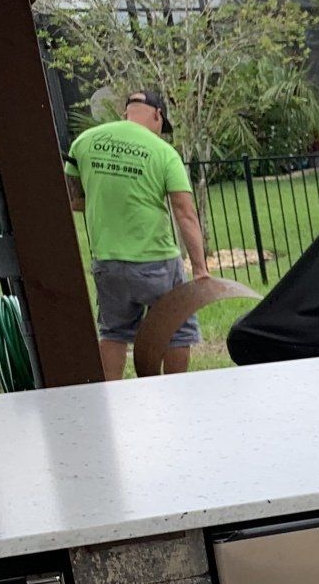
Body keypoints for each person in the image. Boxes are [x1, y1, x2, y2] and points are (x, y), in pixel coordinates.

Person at [65, 89, 211, 379]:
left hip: (107, 259)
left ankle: (113, 399)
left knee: (113, 333)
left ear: (126, 112)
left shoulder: (84, 143)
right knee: (178, 330)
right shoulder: (163, 152)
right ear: (157, 115)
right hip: (156, 261)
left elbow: (73, 198)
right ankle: (176, 396)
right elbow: (184, 212)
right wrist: (200, 268)